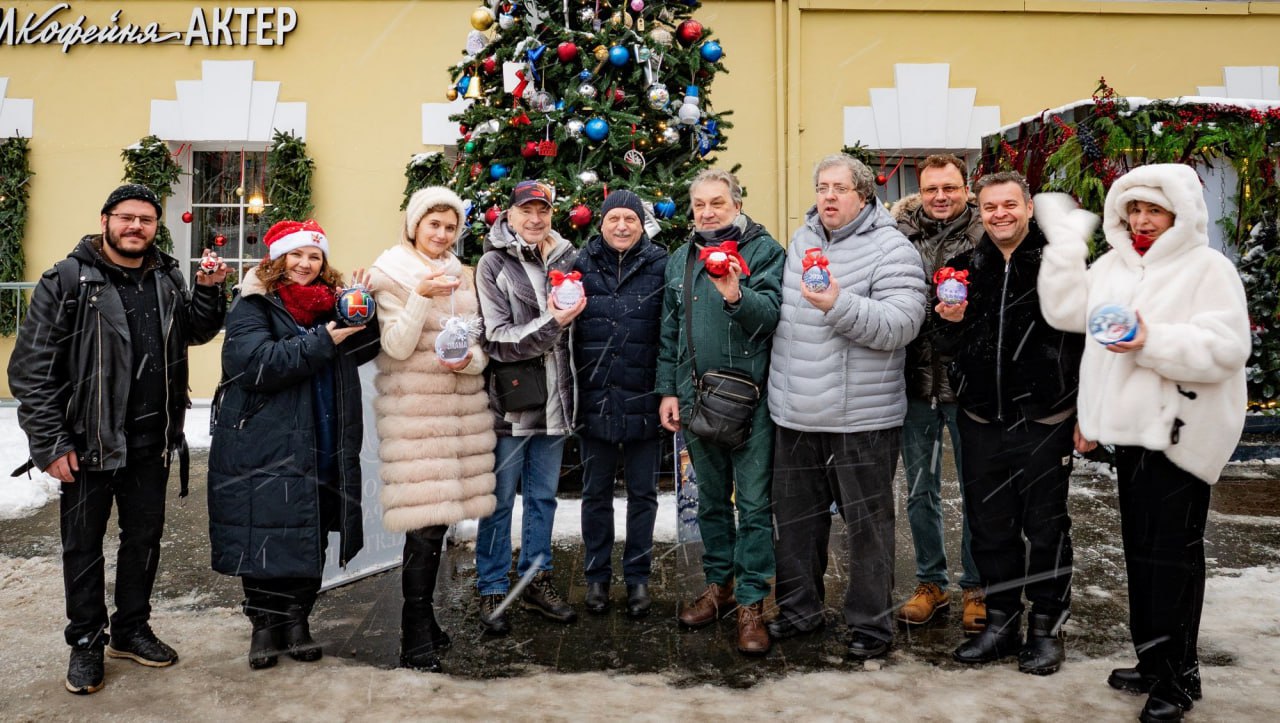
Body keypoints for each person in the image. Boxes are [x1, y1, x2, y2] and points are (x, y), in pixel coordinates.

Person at [1035, 164, 1250, 722]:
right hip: (1133, 439)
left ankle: (1177, 681)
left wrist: (1149, 338)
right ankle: (1156, 662)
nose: (1140, 220)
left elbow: (1226, 347)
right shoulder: (1112, 265)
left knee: (1172, 562)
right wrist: (1062, 247)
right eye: (1133, 210)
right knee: (1141, 556)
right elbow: (1066, 312)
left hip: (1183, 436)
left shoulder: (1208, 268)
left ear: (1178, 215)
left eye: (1153, 210)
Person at [9, 184, 226, 695]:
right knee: (82, 547)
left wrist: (211, 290)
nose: (136, 227)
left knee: (143, 541)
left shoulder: (167, 276)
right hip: (87, 443)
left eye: (146, 220)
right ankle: (85, 641)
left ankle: (130, 628)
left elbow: (191, 332)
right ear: (105, 219)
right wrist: (50, 441)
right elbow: (31, 369)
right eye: (126, 218)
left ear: (156, 226)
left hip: (151, 440)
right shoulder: (67, 280)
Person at [767, 154, 926, 659]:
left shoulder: (891, 248)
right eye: (821, 187)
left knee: (868, 528)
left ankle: (871, 626)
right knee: (795, 524)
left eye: (839, 188)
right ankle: (798, 611)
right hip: (794, 414)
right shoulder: (802, 241)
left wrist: (839, 304)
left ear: (863, 195)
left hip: (861, 418)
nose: (828, 197)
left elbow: (902, 324)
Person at [208, 219, 380, 670]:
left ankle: (298, 619)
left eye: (315, 256)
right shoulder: (253, 303)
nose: (305, 264)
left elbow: (362, 351)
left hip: (322, 435)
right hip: (264, 440)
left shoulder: (331, 306)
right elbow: (255, 365)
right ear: (278, 259)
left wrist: (366, 314)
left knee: (310, 529)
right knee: (262, 532)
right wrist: (323, 341)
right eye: (297, 254)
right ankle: (264, 627)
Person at [934, 171, 1083, 676]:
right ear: (979, 211)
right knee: (990, 528)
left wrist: (1085, 412)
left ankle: (1045, 627)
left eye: (1009, 205)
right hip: (981, 419)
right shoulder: (962, 268)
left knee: (1046, 529)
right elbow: (945, 344)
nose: (999, 214)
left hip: (1045, 418)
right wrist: (948, 323)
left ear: (1028, 207)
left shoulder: (1058, 264)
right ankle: (1001, 623)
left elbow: (1087, 340)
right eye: (990, 206)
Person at [656, 168, 784, 655]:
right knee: (709, 502)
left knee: (752, 506)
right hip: (694, 401)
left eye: (717, 203)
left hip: (751, 403)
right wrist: (667, 390)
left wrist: (735, 294)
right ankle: (719, 585)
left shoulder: (765, 251)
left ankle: (752, 603)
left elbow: (771, 317)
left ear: (737, 204)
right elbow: (669, 332)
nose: (708, 213)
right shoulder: (680, 259)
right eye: (700, 205)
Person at [369, 187, 497, 672]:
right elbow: (397, 347)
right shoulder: (392, 274)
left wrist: (469, 362)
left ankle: (427, 622)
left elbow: (477, 348)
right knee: (422, 528)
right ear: (414, 225)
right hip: (417, 418)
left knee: (440, 524)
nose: (441, 235)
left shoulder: (463, 277)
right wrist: (420, 298)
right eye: (433, 225)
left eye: (450, 227)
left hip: (461, 417)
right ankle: (414, 634)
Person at [475, 180, 585, 634]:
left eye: (543, 210)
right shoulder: (492, 264)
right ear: (511, 215)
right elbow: (497, 339)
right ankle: (492, 585)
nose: (536, 219)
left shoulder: (569, 258)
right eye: (527, 211)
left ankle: (536, 579)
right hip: (512, 404)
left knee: (543, 499)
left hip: (558, 405)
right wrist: (552, 323)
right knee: (499, 500)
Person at [890, 154, 986, 633]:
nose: (940, 197)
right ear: (920, 192)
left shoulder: (985, 232)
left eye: (950, 187)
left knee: (976, 488)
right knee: (920, 489)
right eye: (931, 189)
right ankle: (931, 582)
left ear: (966, 189)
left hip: (967, 384)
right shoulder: (897, 236)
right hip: (913, 383)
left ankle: (976, 585)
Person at [572, 190, 668, 619]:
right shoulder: (581, 264)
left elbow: (671, 333)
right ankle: (596, 578)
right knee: (595, 495)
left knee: (643, 495)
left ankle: (638, 578)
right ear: (603, 223)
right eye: (615, 219)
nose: (622, 226)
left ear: (642, 223)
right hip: (596, 399)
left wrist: (667, 390)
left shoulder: (661, 265)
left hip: (645, 399)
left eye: (630, 218)